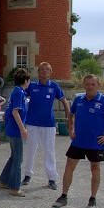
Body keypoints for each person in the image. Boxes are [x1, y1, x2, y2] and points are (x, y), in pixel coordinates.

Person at [52, 74, 104, 208]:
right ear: (84, 85)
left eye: (93, 84)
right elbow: (71, 114)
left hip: (95, 143)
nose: (90, 87)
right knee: (69, 167)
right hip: (78, 141)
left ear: (98, 85)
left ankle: (92, 199)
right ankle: (63, 196)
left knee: (95, 169)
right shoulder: (79, 99)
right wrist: (71, 128)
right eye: (87, 84)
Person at [21, 62, 71, 190]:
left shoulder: (54, 86)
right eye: (42, 70)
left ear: (51, 72)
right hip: (32, 124)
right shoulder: (31, 86)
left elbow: (64, 102)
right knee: (30, 149)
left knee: (49, 151)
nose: (44, 72)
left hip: (49, 125)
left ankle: (52, 178)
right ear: (38, 72)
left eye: (47, 70)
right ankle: (27, 174)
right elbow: (21, 99)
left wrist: (68, 118)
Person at [0, 68, 31, 197]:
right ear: (26, 80)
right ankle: (14, 187)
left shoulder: (17, 91)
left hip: (12, 128)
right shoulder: (19, 93)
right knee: (18, 158)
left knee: (14, 156)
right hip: (15, 129)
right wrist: (23, 129)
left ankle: (4, 180)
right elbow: (15, 112)